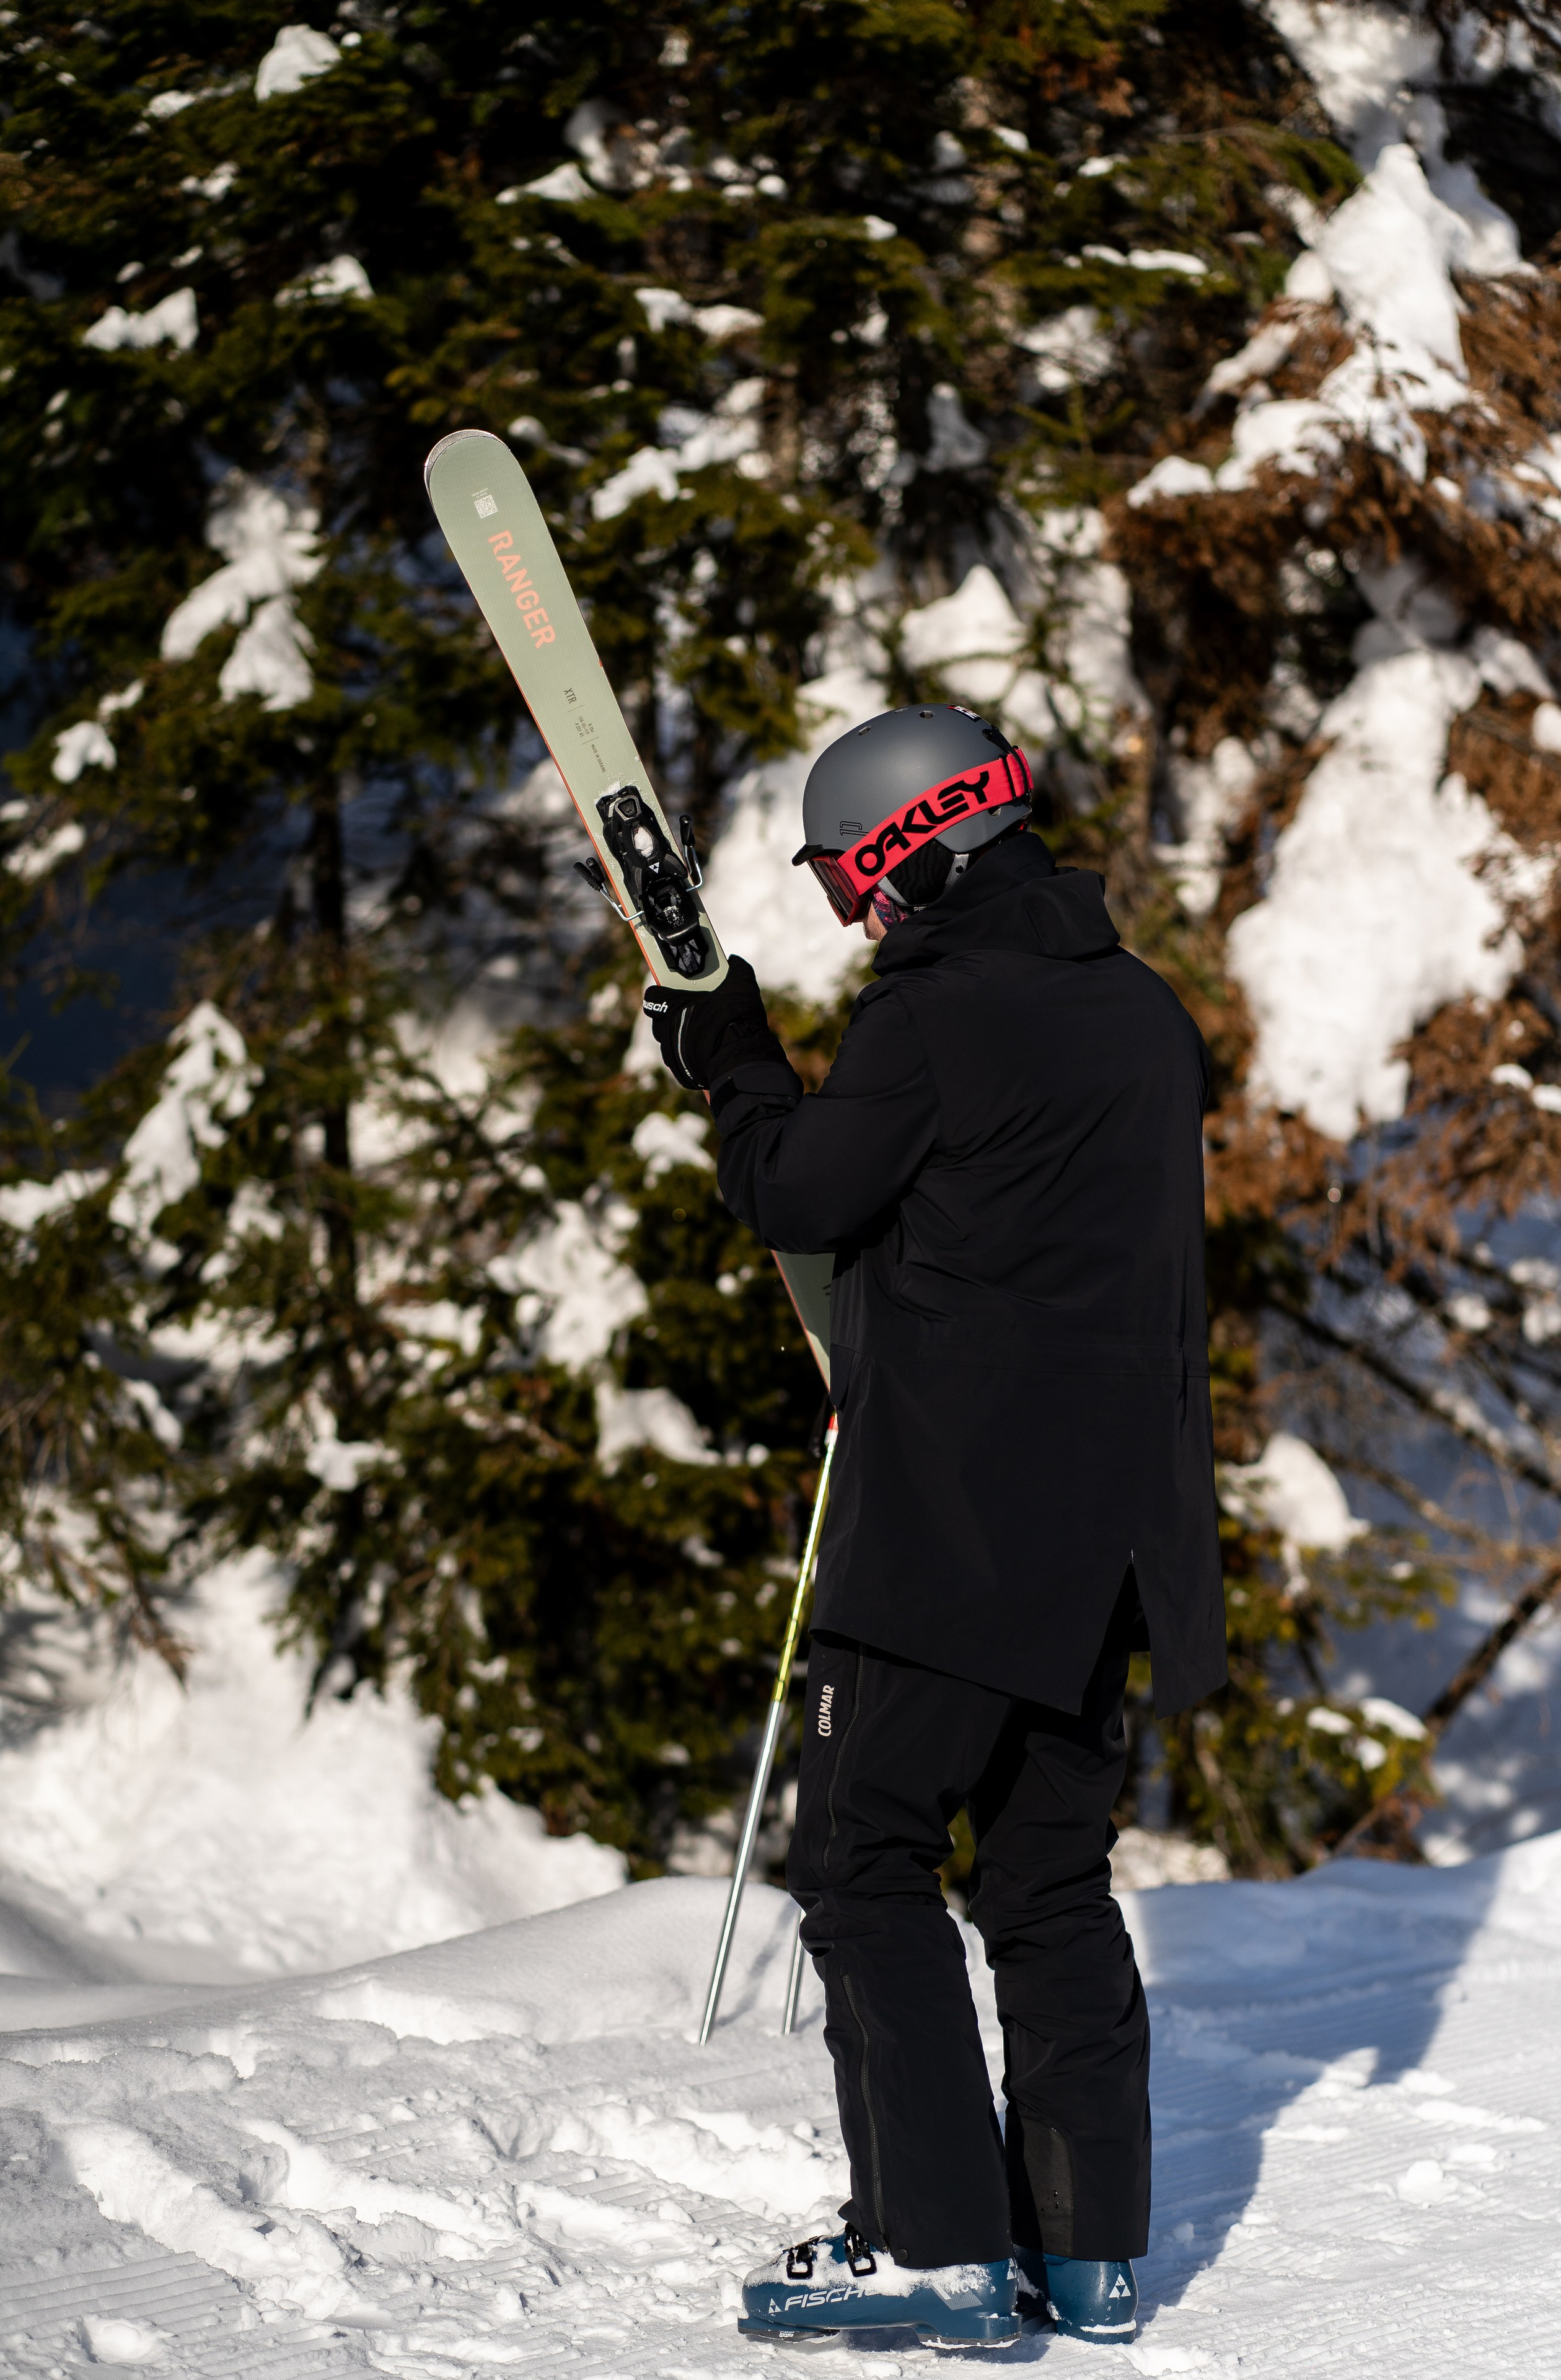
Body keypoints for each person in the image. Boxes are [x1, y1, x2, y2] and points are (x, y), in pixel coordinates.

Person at [644, 703, 1224, 2351]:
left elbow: (799, 1199)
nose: (860, 918)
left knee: (866, 1869)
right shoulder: (1145, 1015)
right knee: (1047, 1879)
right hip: (1113, 1544)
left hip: (946, 1540)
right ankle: (1088, 2258)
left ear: (913, 849)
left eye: (852, 884)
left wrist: (733, 1061)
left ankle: (939, 2251)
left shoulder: (938, 1017)